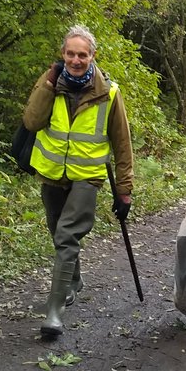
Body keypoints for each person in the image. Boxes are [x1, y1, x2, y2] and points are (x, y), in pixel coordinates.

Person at [22, 25, 134, 340]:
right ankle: (73, 280)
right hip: (52, 172)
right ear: (63, 55)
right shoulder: (50, 83)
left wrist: (124, 191)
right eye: (70, 54)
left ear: (92, 56)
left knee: (67, 235)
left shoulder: (109, 93)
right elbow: (31, 121)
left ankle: (54, 312)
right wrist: (47, 83)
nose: (76, 60)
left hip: (88, 176)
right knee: (58, 231)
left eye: (82, 54)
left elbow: (122, 144)